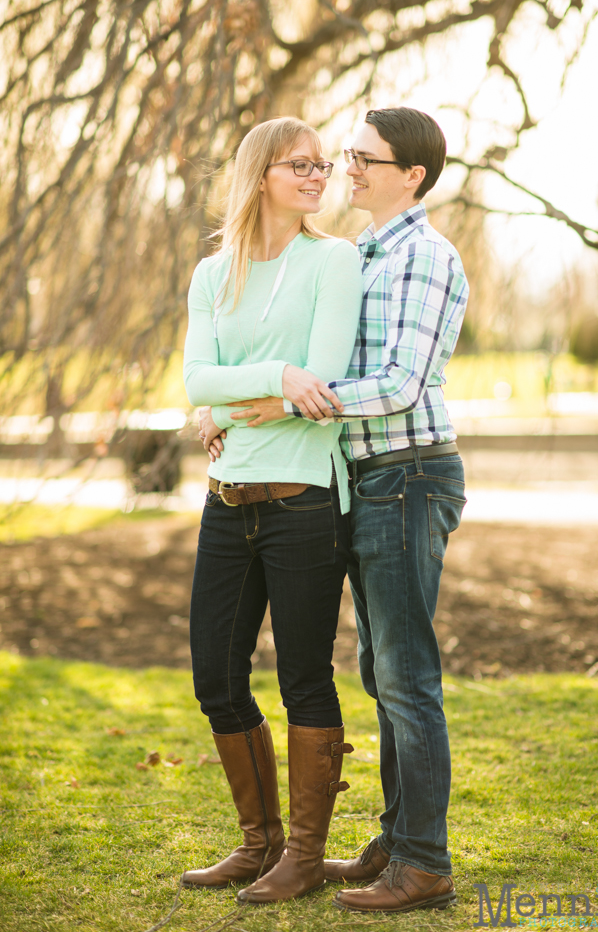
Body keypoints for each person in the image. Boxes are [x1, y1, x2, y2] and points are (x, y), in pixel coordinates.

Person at [201, 107, 469, 914]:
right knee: (378, 672)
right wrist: (259, 389)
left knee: (407, 676)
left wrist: (272, 402)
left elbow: (397, 387)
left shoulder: (423, 256)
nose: (345, 169)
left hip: (409, 474)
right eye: (342, 155)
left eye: (361, 158)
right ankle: (395, 838)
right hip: (361, 477)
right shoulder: (366, 256)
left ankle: (423, 863)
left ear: (410, 175)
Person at [180, 116, 363, 904]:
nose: (318, 176)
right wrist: (275, 380)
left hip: (304, 502)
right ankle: (260, 845)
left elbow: (322, 378)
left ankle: (306, 856)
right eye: (301, 165)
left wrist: (270, 388)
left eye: (323, 166)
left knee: (303, 681)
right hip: (227, 501)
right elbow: (196, 381)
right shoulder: (211, 274)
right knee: (215, 678)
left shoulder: (335, 260)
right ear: (261, 175)